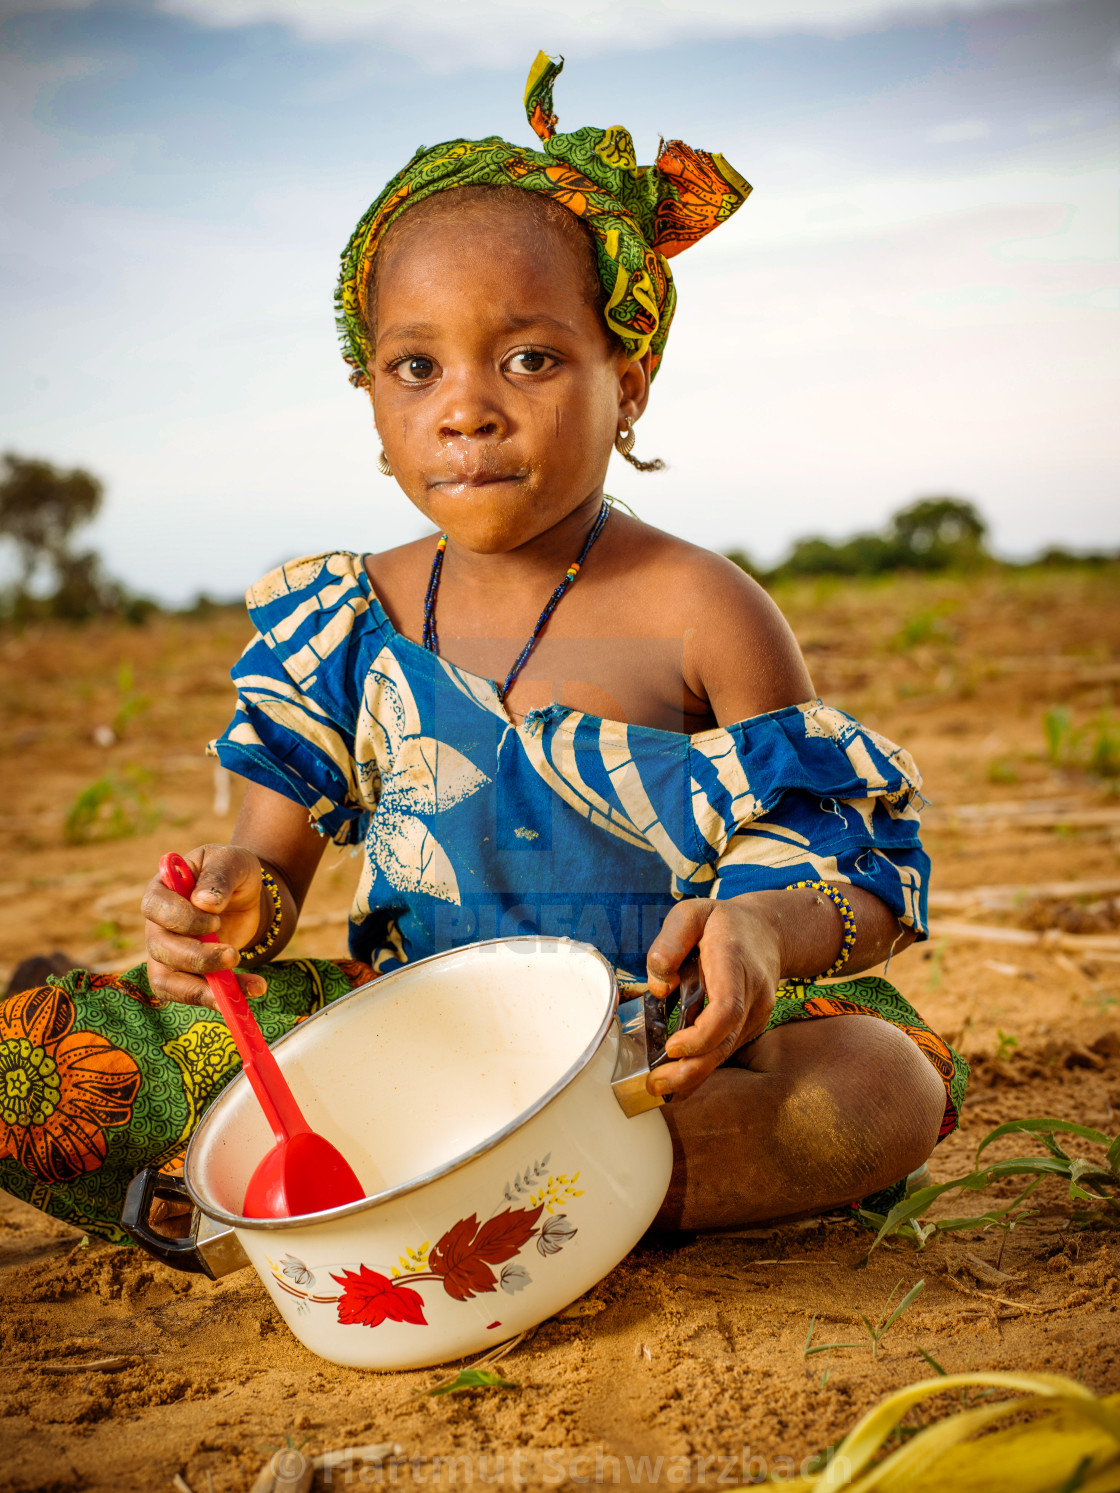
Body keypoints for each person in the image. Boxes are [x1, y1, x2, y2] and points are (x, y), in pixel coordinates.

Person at [0, 54, 964, 1244]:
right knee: (39, 1065)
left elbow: (847, 867)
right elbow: (266, 876)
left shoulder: (704, 608)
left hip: (647, 1055)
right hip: (415, 1046)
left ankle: (418, 1215)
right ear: (372, 402)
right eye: (418, 368)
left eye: (529, 359)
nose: (468, 407)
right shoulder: (345, 621)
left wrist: (766, 930)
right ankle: (518, 1206)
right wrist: (224, 907)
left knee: (875, 1085)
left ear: (630, 379)